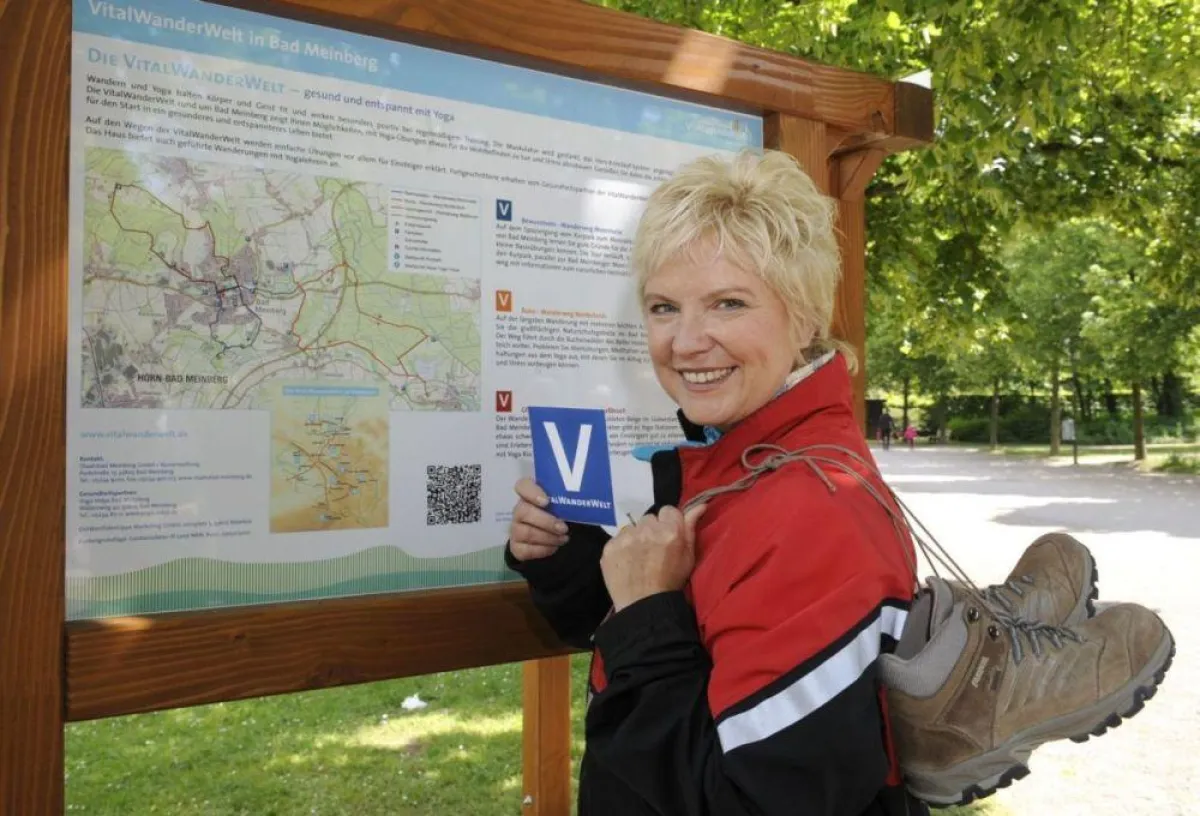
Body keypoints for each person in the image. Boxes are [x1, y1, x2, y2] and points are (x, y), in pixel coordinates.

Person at [505, 149, 926, 815]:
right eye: (664, 307)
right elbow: (683, 647)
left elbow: (753, 802)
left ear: (805, 317)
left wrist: (646, 613)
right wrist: (568, 560)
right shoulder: (740, 464)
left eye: (728, 303)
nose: (685, 341)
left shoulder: (813, 506)